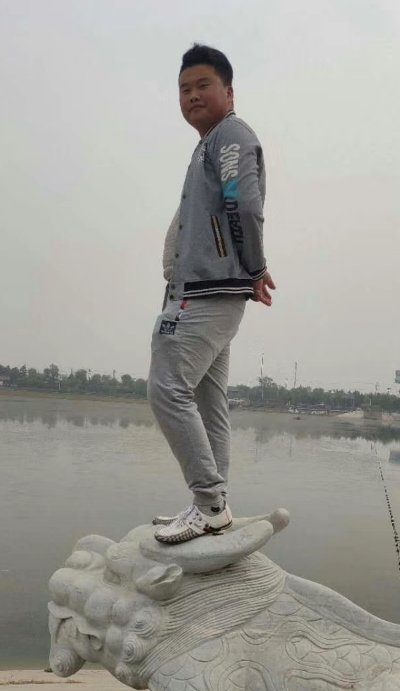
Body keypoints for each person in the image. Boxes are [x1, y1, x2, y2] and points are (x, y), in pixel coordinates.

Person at [148, 44, 275, 545]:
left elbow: (243, 202)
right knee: (207, 401)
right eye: (184, 89)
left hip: (205, 291)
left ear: (229, 92)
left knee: (167, 389)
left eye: (203, 85)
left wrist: (255, 266)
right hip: (209, 289)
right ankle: (214, 502)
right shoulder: (209, 143)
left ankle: (209, 504)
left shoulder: (230, 136)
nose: (193, 95)